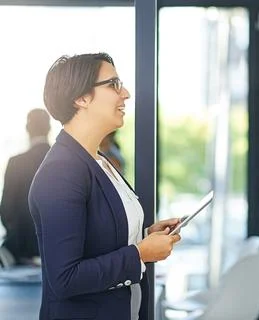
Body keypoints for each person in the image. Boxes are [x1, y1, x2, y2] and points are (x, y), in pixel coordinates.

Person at [29, 53, 181, 320]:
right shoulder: (61, 171)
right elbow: (65, 278)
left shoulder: (100, 162)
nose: (126, 93)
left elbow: (97, 236)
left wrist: (143, 235)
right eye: (113, 84)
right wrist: (139, 253)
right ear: (81, 98)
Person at [0, 108, 51, 265]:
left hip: (23, 252)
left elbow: (6, 208)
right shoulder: (65, 161)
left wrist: (17, 239)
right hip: (58, 251)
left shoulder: (16, 162)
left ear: (27, 129)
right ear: (49, 128)